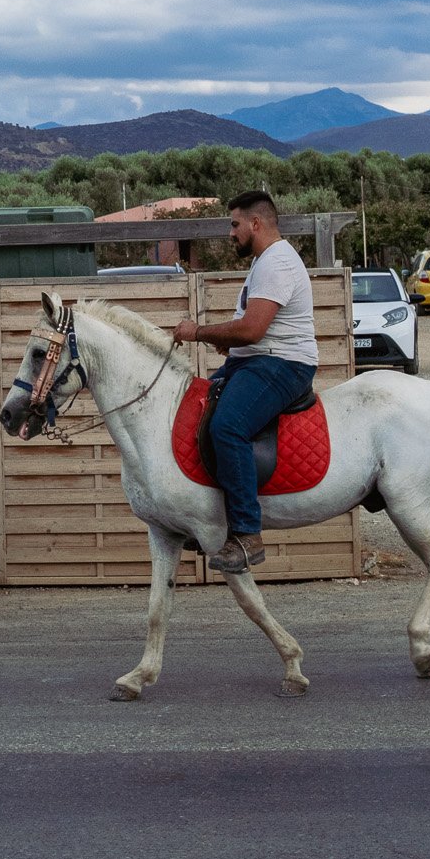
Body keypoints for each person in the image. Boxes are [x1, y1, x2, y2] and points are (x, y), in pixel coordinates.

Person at [171, 190, 317, 573]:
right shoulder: (264, 261)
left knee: (228, 426)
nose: (231, 233)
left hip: (284, 365)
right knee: (196, 410)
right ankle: (204, 517)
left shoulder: (277, 263)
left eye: (235, 225)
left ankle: (247, 535)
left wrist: (199, 332)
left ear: (256, 223)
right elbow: (252, 334)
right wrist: (227, 343)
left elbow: (253, 329)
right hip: (256, 361)